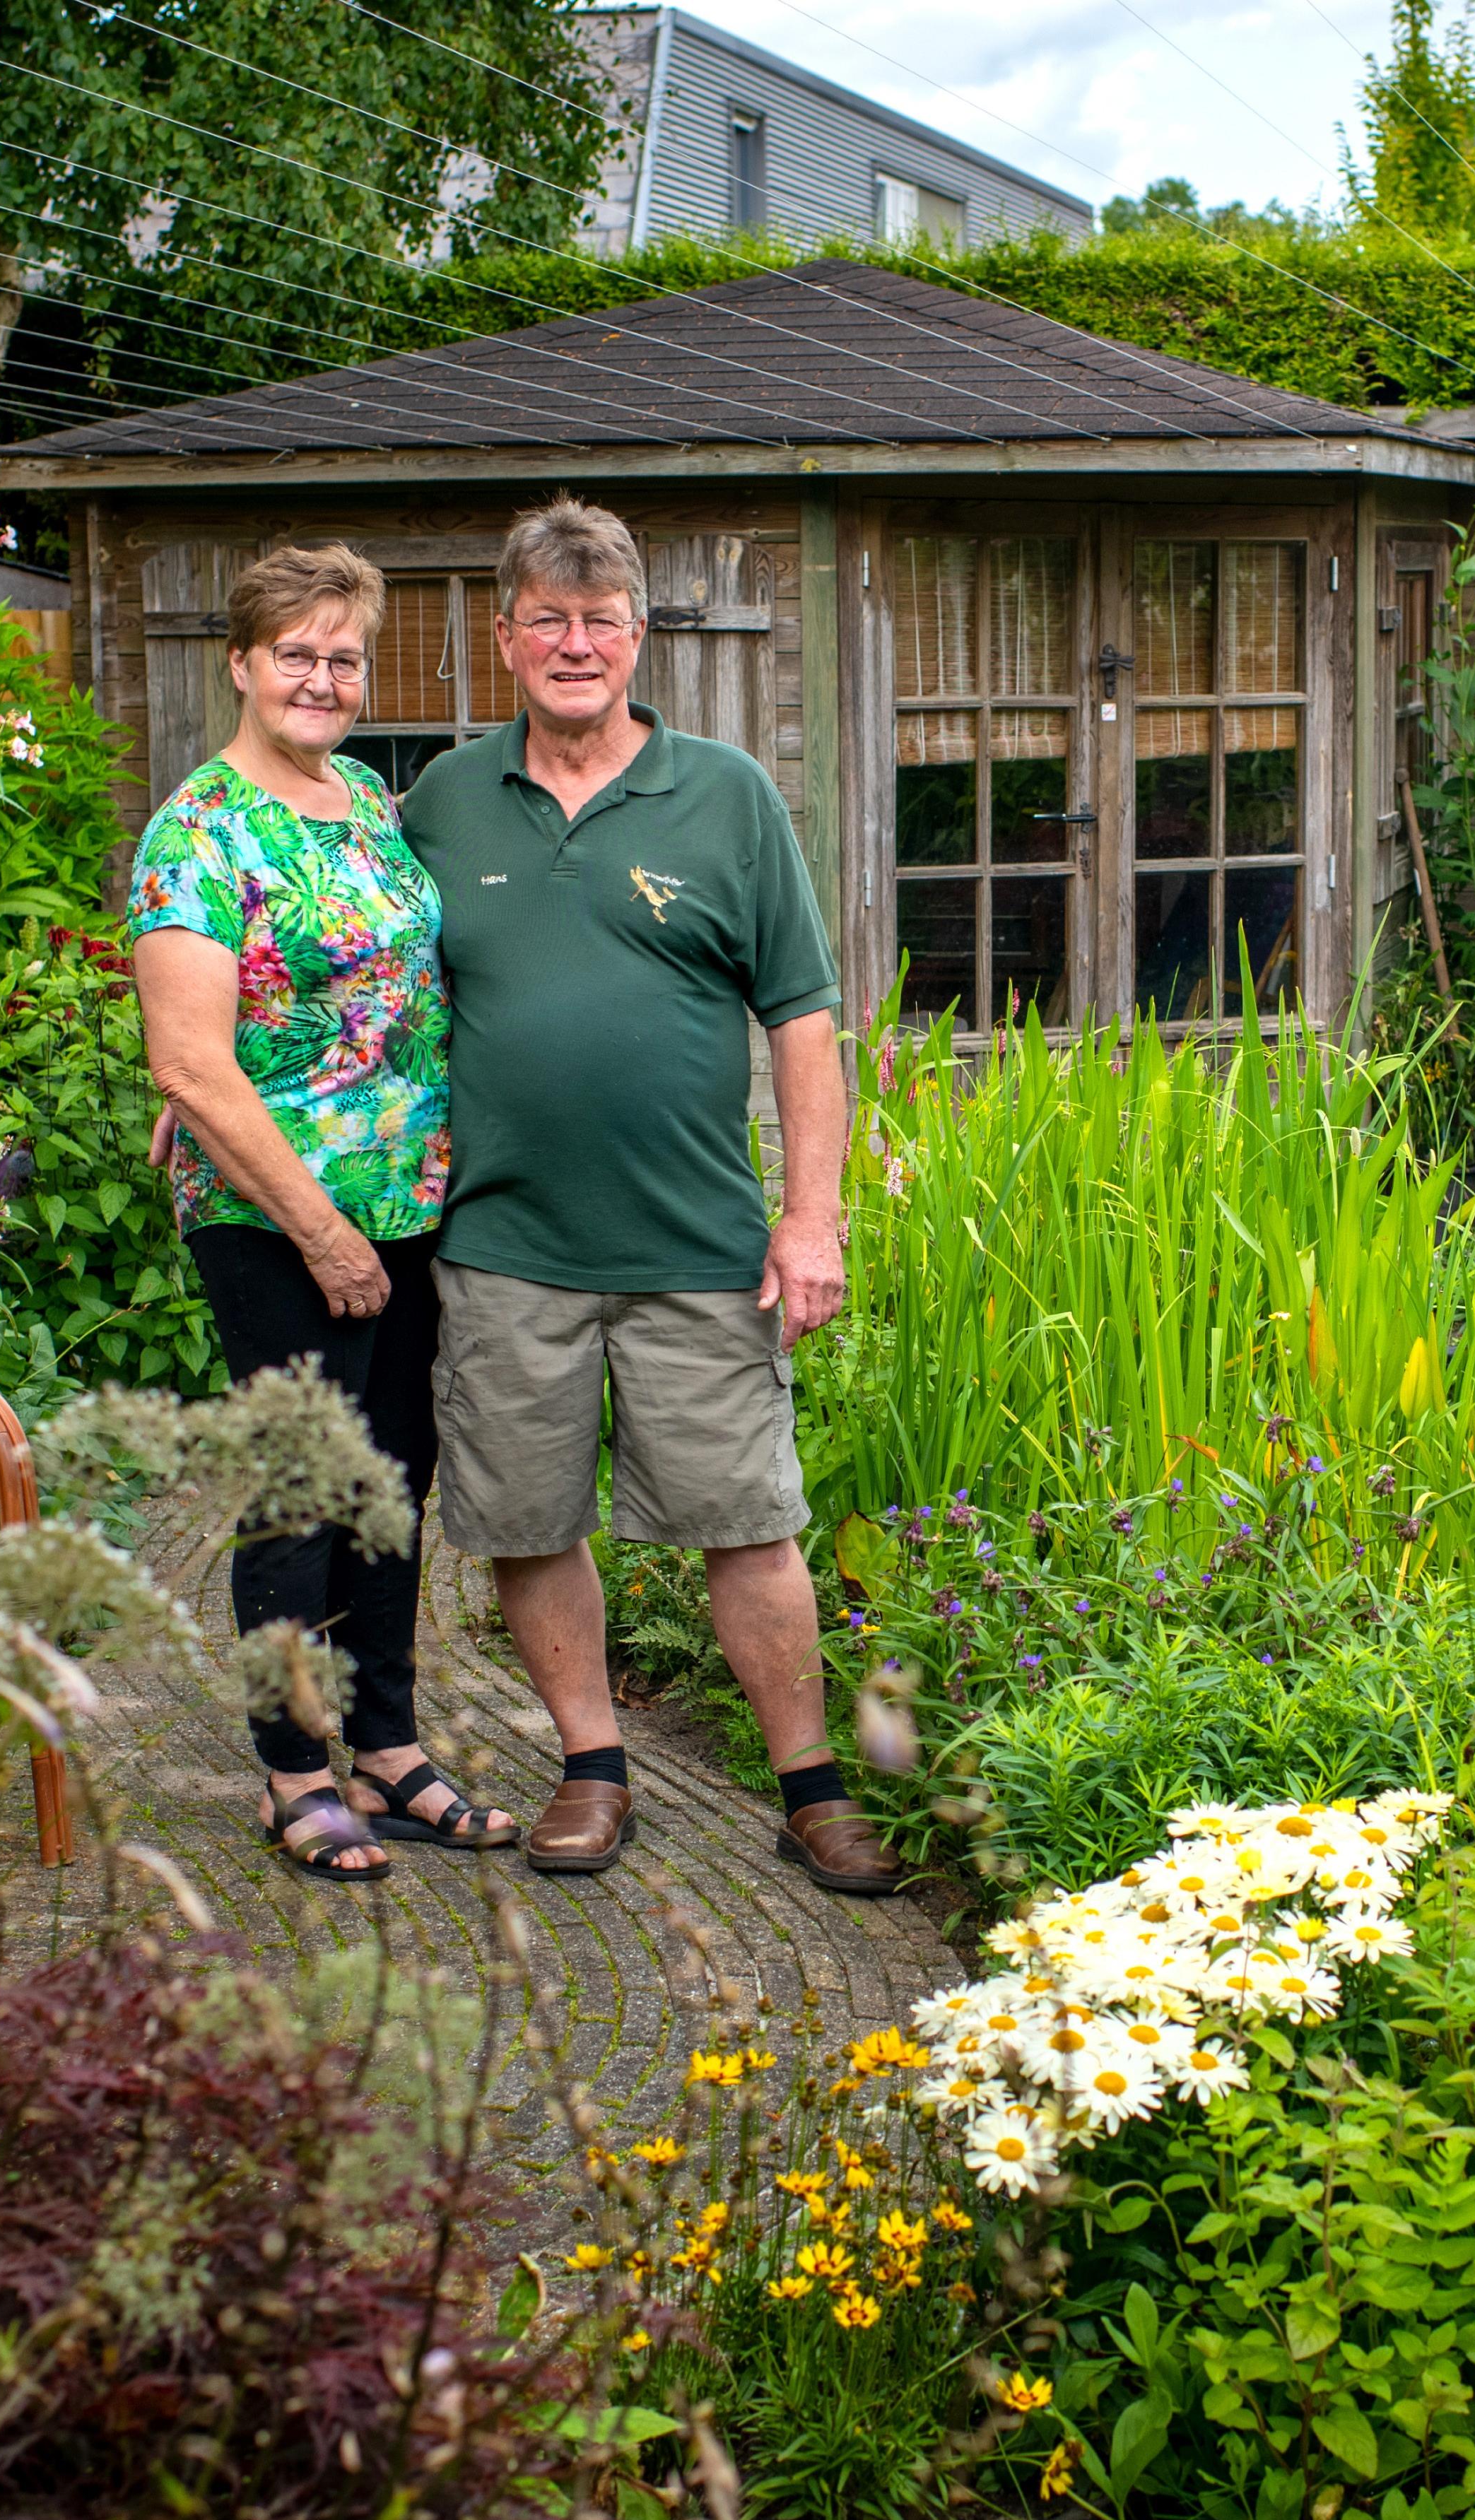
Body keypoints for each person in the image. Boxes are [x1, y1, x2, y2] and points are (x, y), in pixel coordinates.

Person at [397, 497, 897, 1895]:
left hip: (696, 1244)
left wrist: (812, 1217)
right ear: (505, 638)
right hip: (503, 1247)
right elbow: (360, 992)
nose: (575, 643)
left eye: (600, 618)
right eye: (547, 618)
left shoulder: (727, 794)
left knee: (752, 1519)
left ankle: (810, 1787)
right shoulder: (439, 802)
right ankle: (593, 1766)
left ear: (638, 636)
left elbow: (803, 1018)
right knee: (527, 1515)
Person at [127, 541, 517, 1885]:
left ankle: (391, 1746)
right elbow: (188, 1061)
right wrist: (320, 1227)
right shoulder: (198, 832)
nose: (323, 677)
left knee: (393, 1478)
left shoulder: (361, 794)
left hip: (409, 1201)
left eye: (344, 656)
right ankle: (296, 1773)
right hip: (278, 1219)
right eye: (295, 653)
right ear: (240, 664)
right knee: (301, 1493)